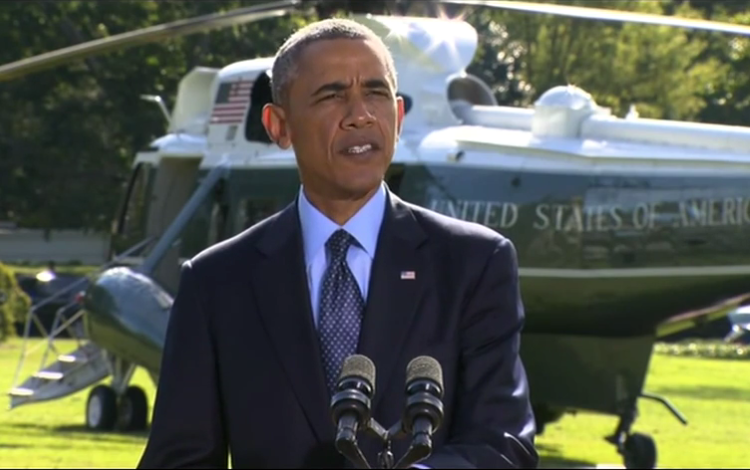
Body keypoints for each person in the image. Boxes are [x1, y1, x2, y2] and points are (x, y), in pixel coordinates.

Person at [138, 18, 538, 469]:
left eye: (376, 93)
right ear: (279, 125)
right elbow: (179, 460)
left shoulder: (473, 264)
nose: (360, 115)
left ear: (398, 117)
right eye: (332, 96)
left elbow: (503, 444)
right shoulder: (216, 281)